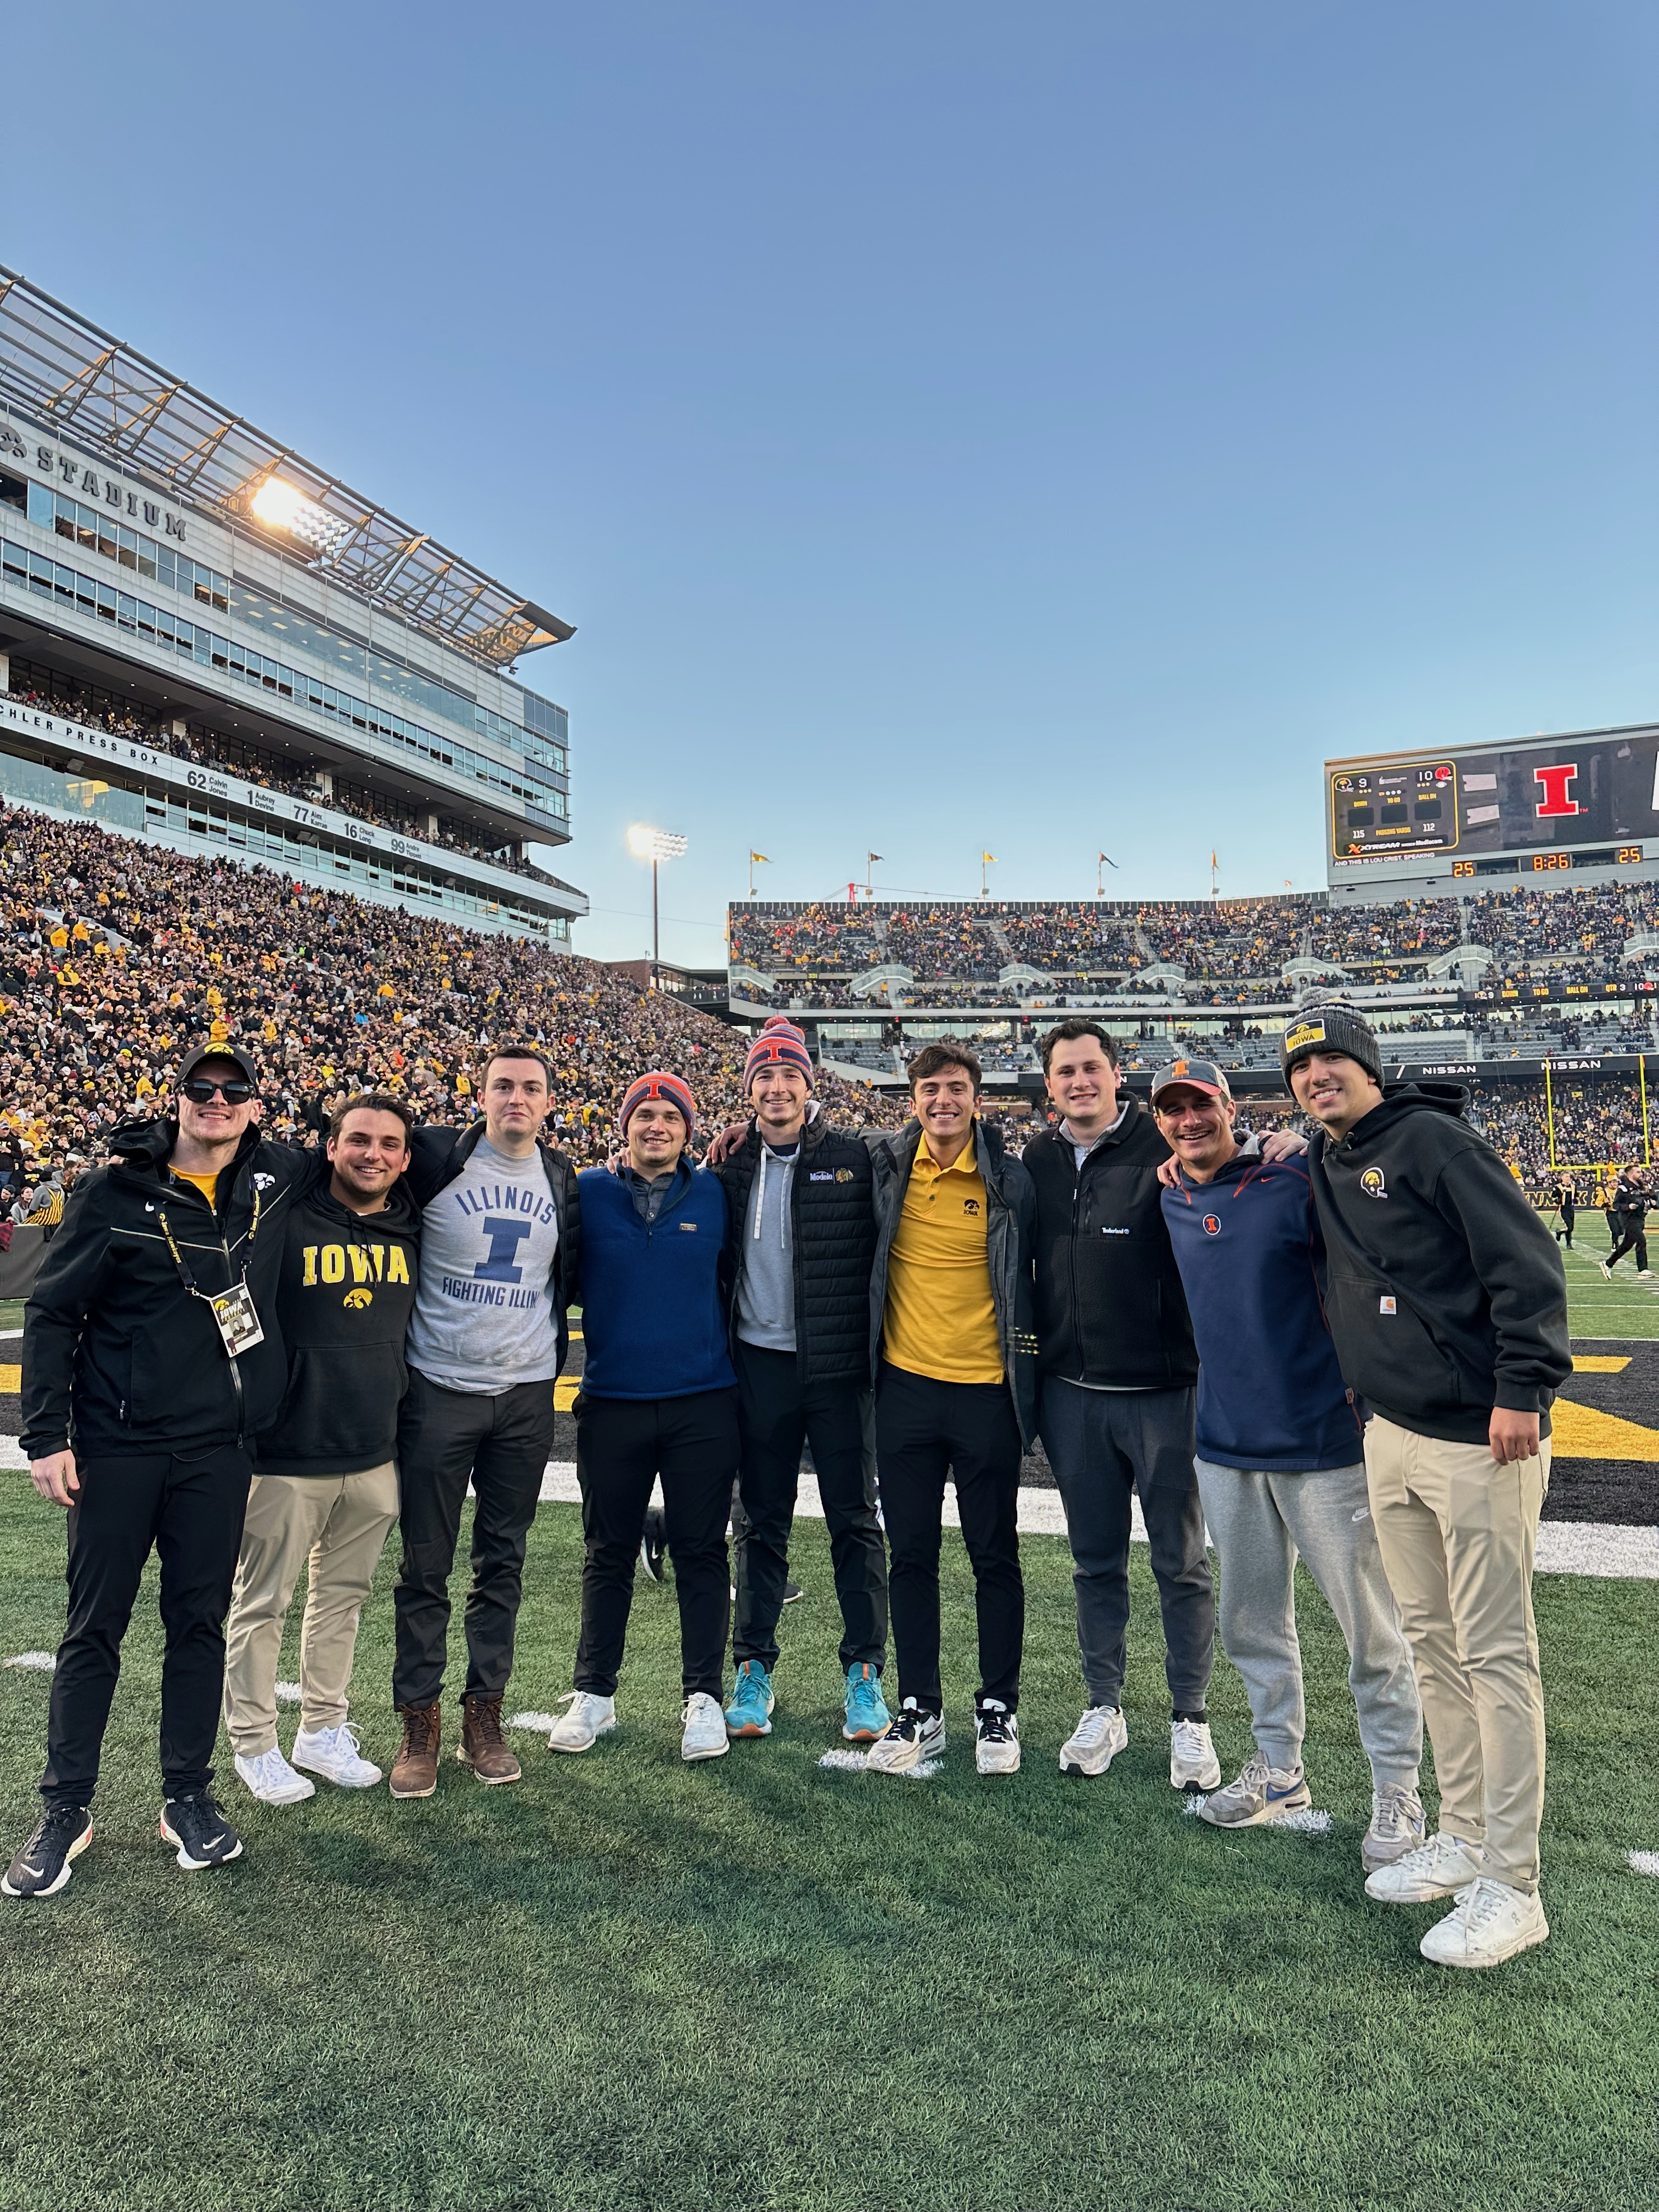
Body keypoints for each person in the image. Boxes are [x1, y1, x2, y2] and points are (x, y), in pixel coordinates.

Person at [1285, 1005, 1570, 1969]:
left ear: (1367, 1065)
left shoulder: (1433, 1141)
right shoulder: (1325, 1156)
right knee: (1431, 1646)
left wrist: (1521, 1387)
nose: (1314, 1074)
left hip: (1477, 1437)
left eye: (1329, 1058)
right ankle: (1462, 1830)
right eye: (1299, 1065)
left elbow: (1524, 1264)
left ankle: (1513, 1883)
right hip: (1392, 1431)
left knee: (1494, 1652)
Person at [4, 1043, 308, 1897]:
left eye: (233, 1091)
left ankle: (187, 1797)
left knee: (198, 1626)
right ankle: (65, 1808)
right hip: (120, 1444)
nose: (216, 1102)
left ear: (255, 1107)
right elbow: (53, 1312)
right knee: (93, 1628)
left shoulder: (273, 1180)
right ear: (176, 1101)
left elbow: (379, 1148)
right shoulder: (114, 1192)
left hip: (218, 1449)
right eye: (200, 1090)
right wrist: (47, 1435)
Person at [1152, 1058, 1425, 1868]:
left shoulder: (1295, 1175)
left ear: (1230, 1106)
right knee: (1251, 1622)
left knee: (1371, 1631)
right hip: (1226, 1446)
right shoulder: (1167, 1190)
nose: (1188, 1122)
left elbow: (1369, 1181)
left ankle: (1398, 1793)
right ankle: (1279, 1770)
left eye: (1200, 1105)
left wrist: (1304, 1142)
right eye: (1172, 1112)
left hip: (1322, 1441)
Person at [1020, 1021, 1220, 1790]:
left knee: (1181, 1562)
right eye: (1065, 1071)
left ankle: (1190, 1717)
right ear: (1050, 1086)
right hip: (1072, 1397)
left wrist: (1287, 1145)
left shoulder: (1161, 1146)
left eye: (1091, 1068)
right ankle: (1105, 1703)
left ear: (1116, 1074)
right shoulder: (1037, 1158)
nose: (1079, 1082)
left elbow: (1229, 1165)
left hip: (1164, 1393)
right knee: (1094, 1563)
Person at [390, 1047, 581, 1798]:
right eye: (504, 1085)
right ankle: (418, 1720)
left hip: (528, 1394)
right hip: (439, 1388)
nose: (516, 1098)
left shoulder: (561, 1176)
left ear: (548, 1101)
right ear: (483, 1092)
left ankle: (485, 1714)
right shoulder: (437, 1153)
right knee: (425, 1566)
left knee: (502, 1562)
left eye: (531, 1088)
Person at [222, 1094, 421, 1804]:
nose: (375, 1155)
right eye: (359, 1140)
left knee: (342, 1600)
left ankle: (322, 1729)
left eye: (391, 1144)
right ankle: (253, 1742)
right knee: (263, 1602)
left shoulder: (409, 1220)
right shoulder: (288, 1217)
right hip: (287, 1450)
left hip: (374, 1450)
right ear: (329, 1148)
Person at [546, 1071, 741, 1762]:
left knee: (701, 1551)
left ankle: (704, 1697)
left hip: (703, 1399)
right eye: (644, 1115)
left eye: (669, 1116)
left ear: (690, 1130)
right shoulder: (586, 1192)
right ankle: (594, 1692)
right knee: (607, 1552)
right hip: (612, 1400)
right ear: (622, 1125)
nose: (655, 1125)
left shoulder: (719, 1191)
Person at [710, 1017, 889, 1743]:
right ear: (749, 1087)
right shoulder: (727, 1165)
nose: (777, 1086)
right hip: (758, 1367)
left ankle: (865, 1675)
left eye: (789, 1074)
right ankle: (753, 1668)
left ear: (809, 1085)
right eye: (764, 1075)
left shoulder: (856, 1155)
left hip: (839, 1371)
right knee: (759, 1523)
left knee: (854, 1520)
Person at [862, 1043, 1039, 1778]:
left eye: (956, 1088)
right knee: (911, 1556)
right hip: (904, 1389)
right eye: (931, 1088)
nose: (943, 1100)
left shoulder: (1011, 1182)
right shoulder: (886, 1167)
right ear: (913, 1098)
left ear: (977, 1098)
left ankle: (998, 1707)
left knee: (994, 1554)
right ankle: (919, 1707)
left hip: (985, 1393)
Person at [1601, 1168, 1649, 1279]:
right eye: (1638, 1172)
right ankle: (1643, 1270)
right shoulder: (1624, 1188)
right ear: (1630, 1174)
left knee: (1626, 1245)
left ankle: (1608, 1264)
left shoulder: (1642, 1186)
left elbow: (1651, 1198)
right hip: (1629, 1219)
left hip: (1640, 1218)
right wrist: (1628, 1207)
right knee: (1641, 1241)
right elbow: (1616, 1204)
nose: (1640, 1174)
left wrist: (1653, 1201)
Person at [1552, 1182, 1575, 1250]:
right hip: (1563, 1208)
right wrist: (1557, 1201)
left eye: (1569, 1177)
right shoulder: (1558, 1187)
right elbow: (1553, 1197)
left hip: (1571, 1208)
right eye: (1566, 1177)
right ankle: (1569, 1245)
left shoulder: (1573, 1187)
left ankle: (1560, 1232)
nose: (1568, 1179)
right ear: (1563, 1178)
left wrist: (1576, 1200)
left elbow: (1576, 1196)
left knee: (1571, 1228)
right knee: (1569, 1226)